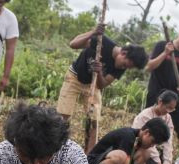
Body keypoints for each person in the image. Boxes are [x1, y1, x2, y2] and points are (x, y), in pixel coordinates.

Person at [56, 24, 148, 153]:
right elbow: (73, 44)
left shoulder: (121, 69)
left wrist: (99, 72)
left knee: (94, 121)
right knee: (63, 116)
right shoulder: (103, 42)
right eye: (126, 64)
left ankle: (89, 155)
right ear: (123, 53)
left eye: (129, 67)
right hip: (74, 77)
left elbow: (102, 85)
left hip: (91, 86)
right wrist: (92, 32)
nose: (124, 67)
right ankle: (55, 146)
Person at [132, 90, 177, 164]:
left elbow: (168, 141)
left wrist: (167, 161)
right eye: (168, 107)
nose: (168, 111)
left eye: (172, 109)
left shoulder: (167, 118)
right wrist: (158, 162)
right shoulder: (145, 116)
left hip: (152, 148)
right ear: (160, 102)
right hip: (139, 147)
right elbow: (147, 142)